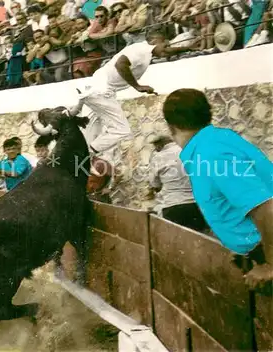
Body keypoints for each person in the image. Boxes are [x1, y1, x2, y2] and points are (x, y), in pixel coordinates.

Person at [162, 88, 273, 289]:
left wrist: (270, 265)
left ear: (171, 127)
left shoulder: (212, 153)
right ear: (207, 115)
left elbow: (265, 206)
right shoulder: (216, 141)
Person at [79, 29, 196, 164]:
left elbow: (165, 51)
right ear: (154, 41)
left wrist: (186, 48)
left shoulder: (146, 51)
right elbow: (121, 64)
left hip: (93, 89)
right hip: (102, 90)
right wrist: (137, 86)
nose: (167, 49)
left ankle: (85, 154)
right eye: (165, 44)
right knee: (122, 131)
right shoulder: (140, 49)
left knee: (89, 133)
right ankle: (90, 151)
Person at [148, 134, 209, 232]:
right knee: (198, 240)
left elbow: (155, 184)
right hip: (195, 205)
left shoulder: (158, 157)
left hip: (173, 205)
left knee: (176, 243)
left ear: (158, 145)